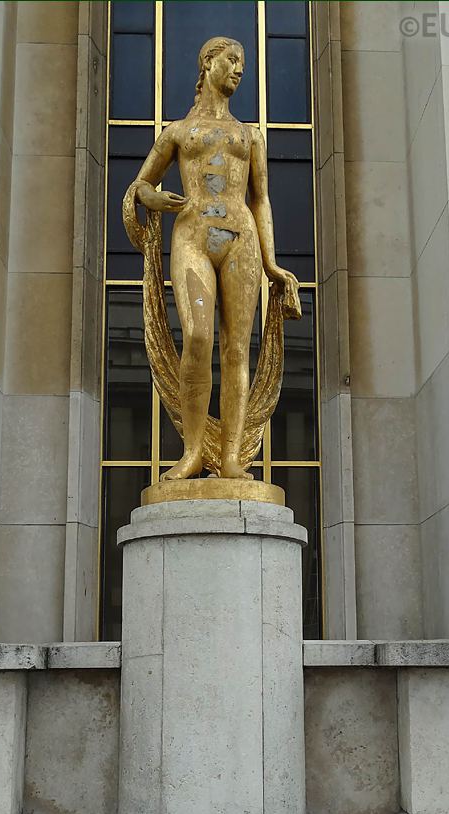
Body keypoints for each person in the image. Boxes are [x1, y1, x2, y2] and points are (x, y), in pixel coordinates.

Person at [129, 36, 299, 481]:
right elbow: (140, 185)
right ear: (208, 62)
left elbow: (261, 200)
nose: (240, 69)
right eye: (233, 60)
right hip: (193, 234)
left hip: (241, 239)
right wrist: (153, 198)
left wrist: (272, 263)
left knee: (238, 349)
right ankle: (191, 452)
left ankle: (229, 460)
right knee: (199, 338)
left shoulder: (249, 136)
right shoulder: (179, 132)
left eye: (244, 62)